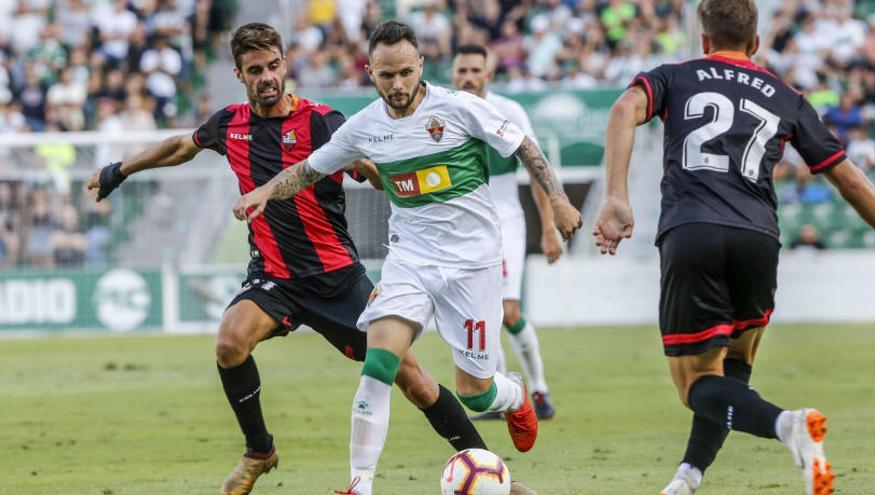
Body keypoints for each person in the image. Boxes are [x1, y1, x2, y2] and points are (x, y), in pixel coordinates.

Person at [88, 22, 525, 495]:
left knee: (413, 380)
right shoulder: (228, 124)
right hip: (275, 279)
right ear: (239, 73)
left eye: (273, 66)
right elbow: (180, 146)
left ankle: (493, 472)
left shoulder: (323, 122)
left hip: (338, 279)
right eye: (255, 70)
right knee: (230, 342)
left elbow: (372, 164)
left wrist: (384, 175)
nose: (266, 77)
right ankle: (259, 451)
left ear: (285, 64)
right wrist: (120, 169)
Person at [232, 20, 582, 495]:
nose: (397, 86)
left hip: (473, 264)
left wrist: (558, 200)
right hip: (410, 260)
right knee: (380, 361)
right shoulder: (364, 127)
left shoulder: (460, 109)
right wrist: (266, 193)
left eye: (404, 73)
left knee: (475, 391)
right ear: (369, 72)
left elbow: (522, 144)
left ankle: (515, 393)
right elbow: (308, 170)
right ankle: (360, 483)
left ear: (420, 65)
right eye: (385, 76)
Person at [593, 1, 875, 495]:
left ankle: (787, 424)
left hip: (693, 231)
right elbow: (849, 180)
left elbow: (623, 109)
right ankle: (688, 477)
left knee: (696, 385)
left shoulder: (675, 75)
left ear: (704, 40)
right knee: (733, 365)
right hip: (758, 237)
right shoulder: (786, 96)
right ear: (756, 43)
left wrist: (616, 195)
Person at [451, 44, 561, 421]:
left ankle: (540, 390)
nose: (467, 77)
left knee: (509, 311)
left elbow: (535, 169)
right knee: (481, 313)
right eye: (461, 70)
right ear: (453, 74)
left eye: (474, 70)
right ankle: (498, 392)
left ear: (488, 74)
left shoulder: (509, 111)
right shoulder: (444, 112)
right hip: (464, 229)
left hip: (505, 223)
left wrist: (548, 228)